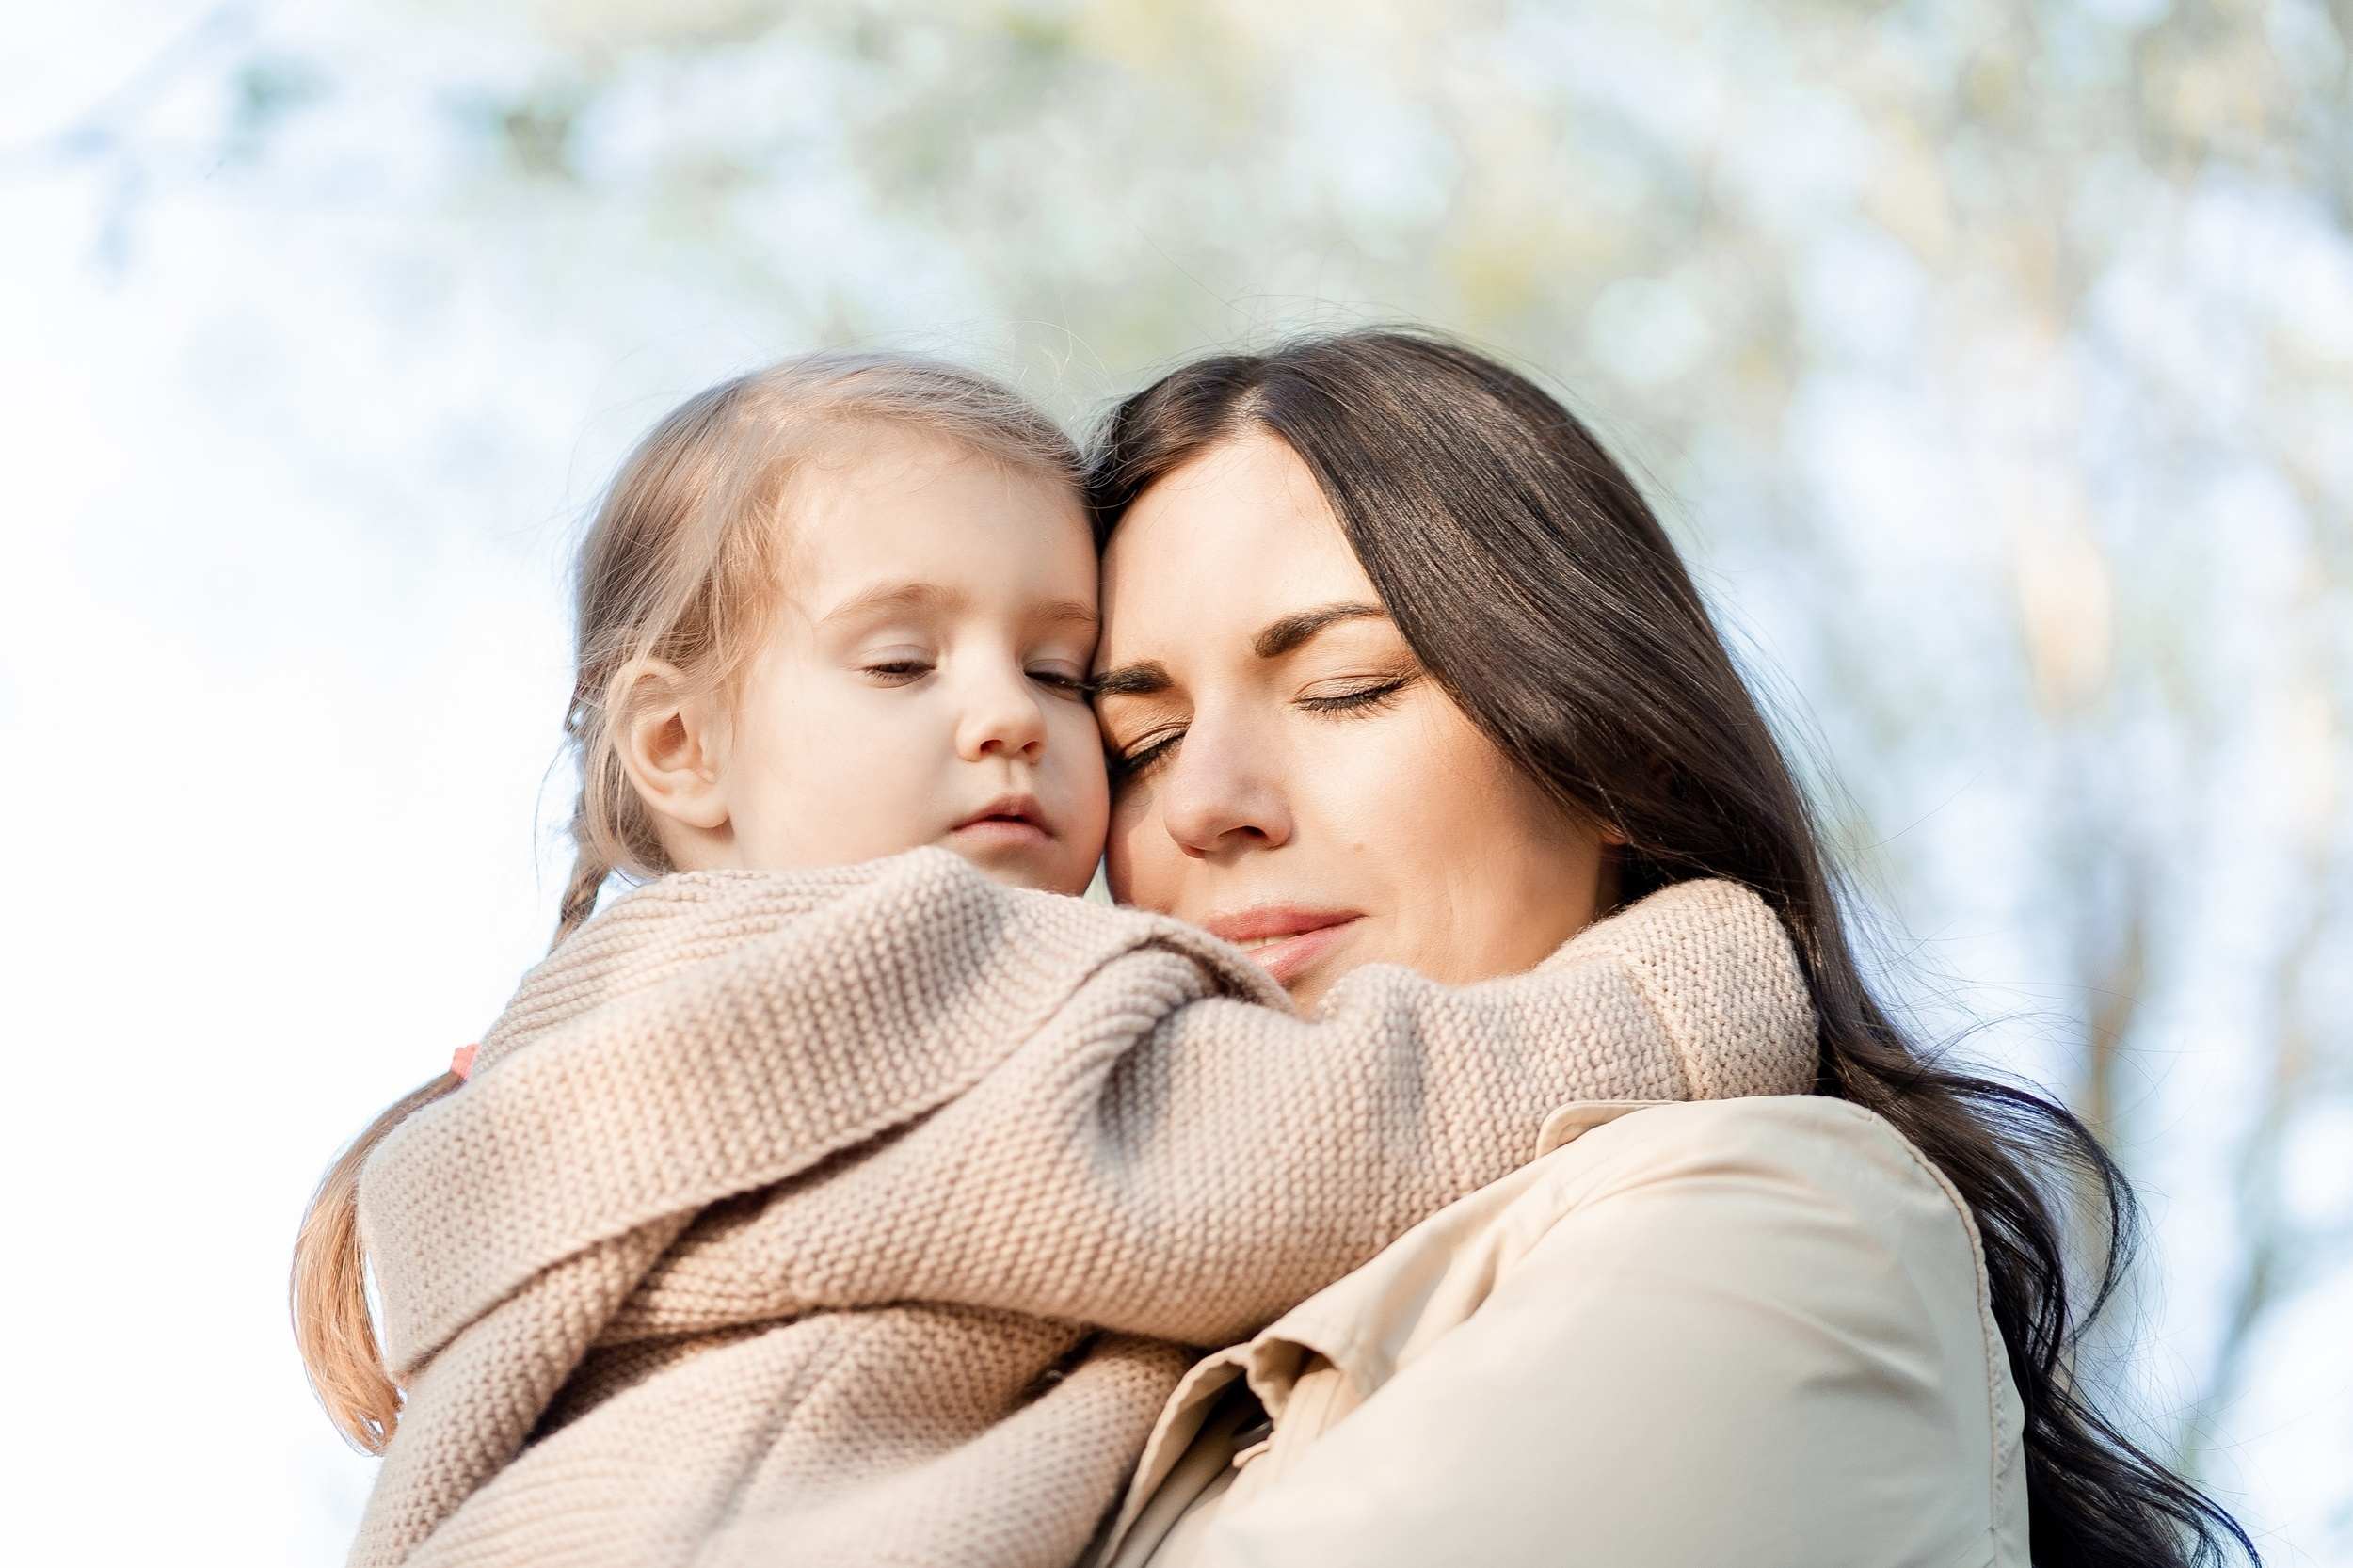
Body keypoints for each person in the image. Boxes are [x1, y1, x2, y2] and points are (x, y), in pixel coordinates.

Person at [291, 350, 1817, 1568]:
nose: (1014, 717)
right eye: (902, 661)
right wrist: (1686, 985)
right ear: (680, 748)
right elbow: (1332, 1127)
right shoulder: (907, 974)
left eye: (1060, 676)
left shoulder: (583, 1046)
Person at [1076, 331, 2252, 1568]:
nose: (1205, 799)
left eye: (1349, 685)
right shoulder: (1072, 1350)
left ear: (1623, 758)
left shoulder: (1788, 1225)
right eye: (1140, 744)